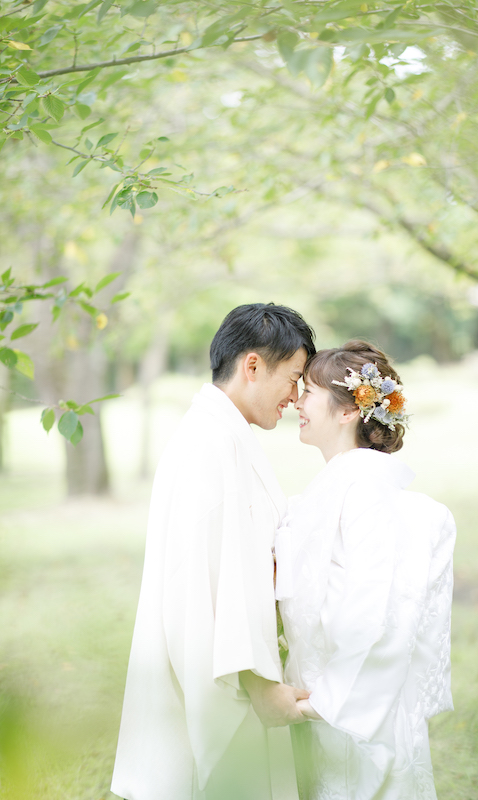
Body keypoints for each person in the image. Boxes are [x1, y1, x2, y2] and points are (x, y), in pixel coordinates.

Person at [111, 303, 316, 800]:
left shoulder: (225, 435)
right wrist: (261, 687)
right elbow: (210, 581)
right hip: (223, 675)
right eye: (293, 379)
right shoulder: (208, 446)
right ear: (252, 366)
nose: (296, 397)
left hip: (239, 664)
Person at [276, 340, 456, 800]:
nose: (296, 401)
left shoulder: (367, 492)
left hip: (354, 714)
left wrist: (318, 705)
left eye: (308, 391)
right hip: (322, 705)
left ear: (348, 411)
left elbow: (377, 610)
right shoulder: (337, 487)